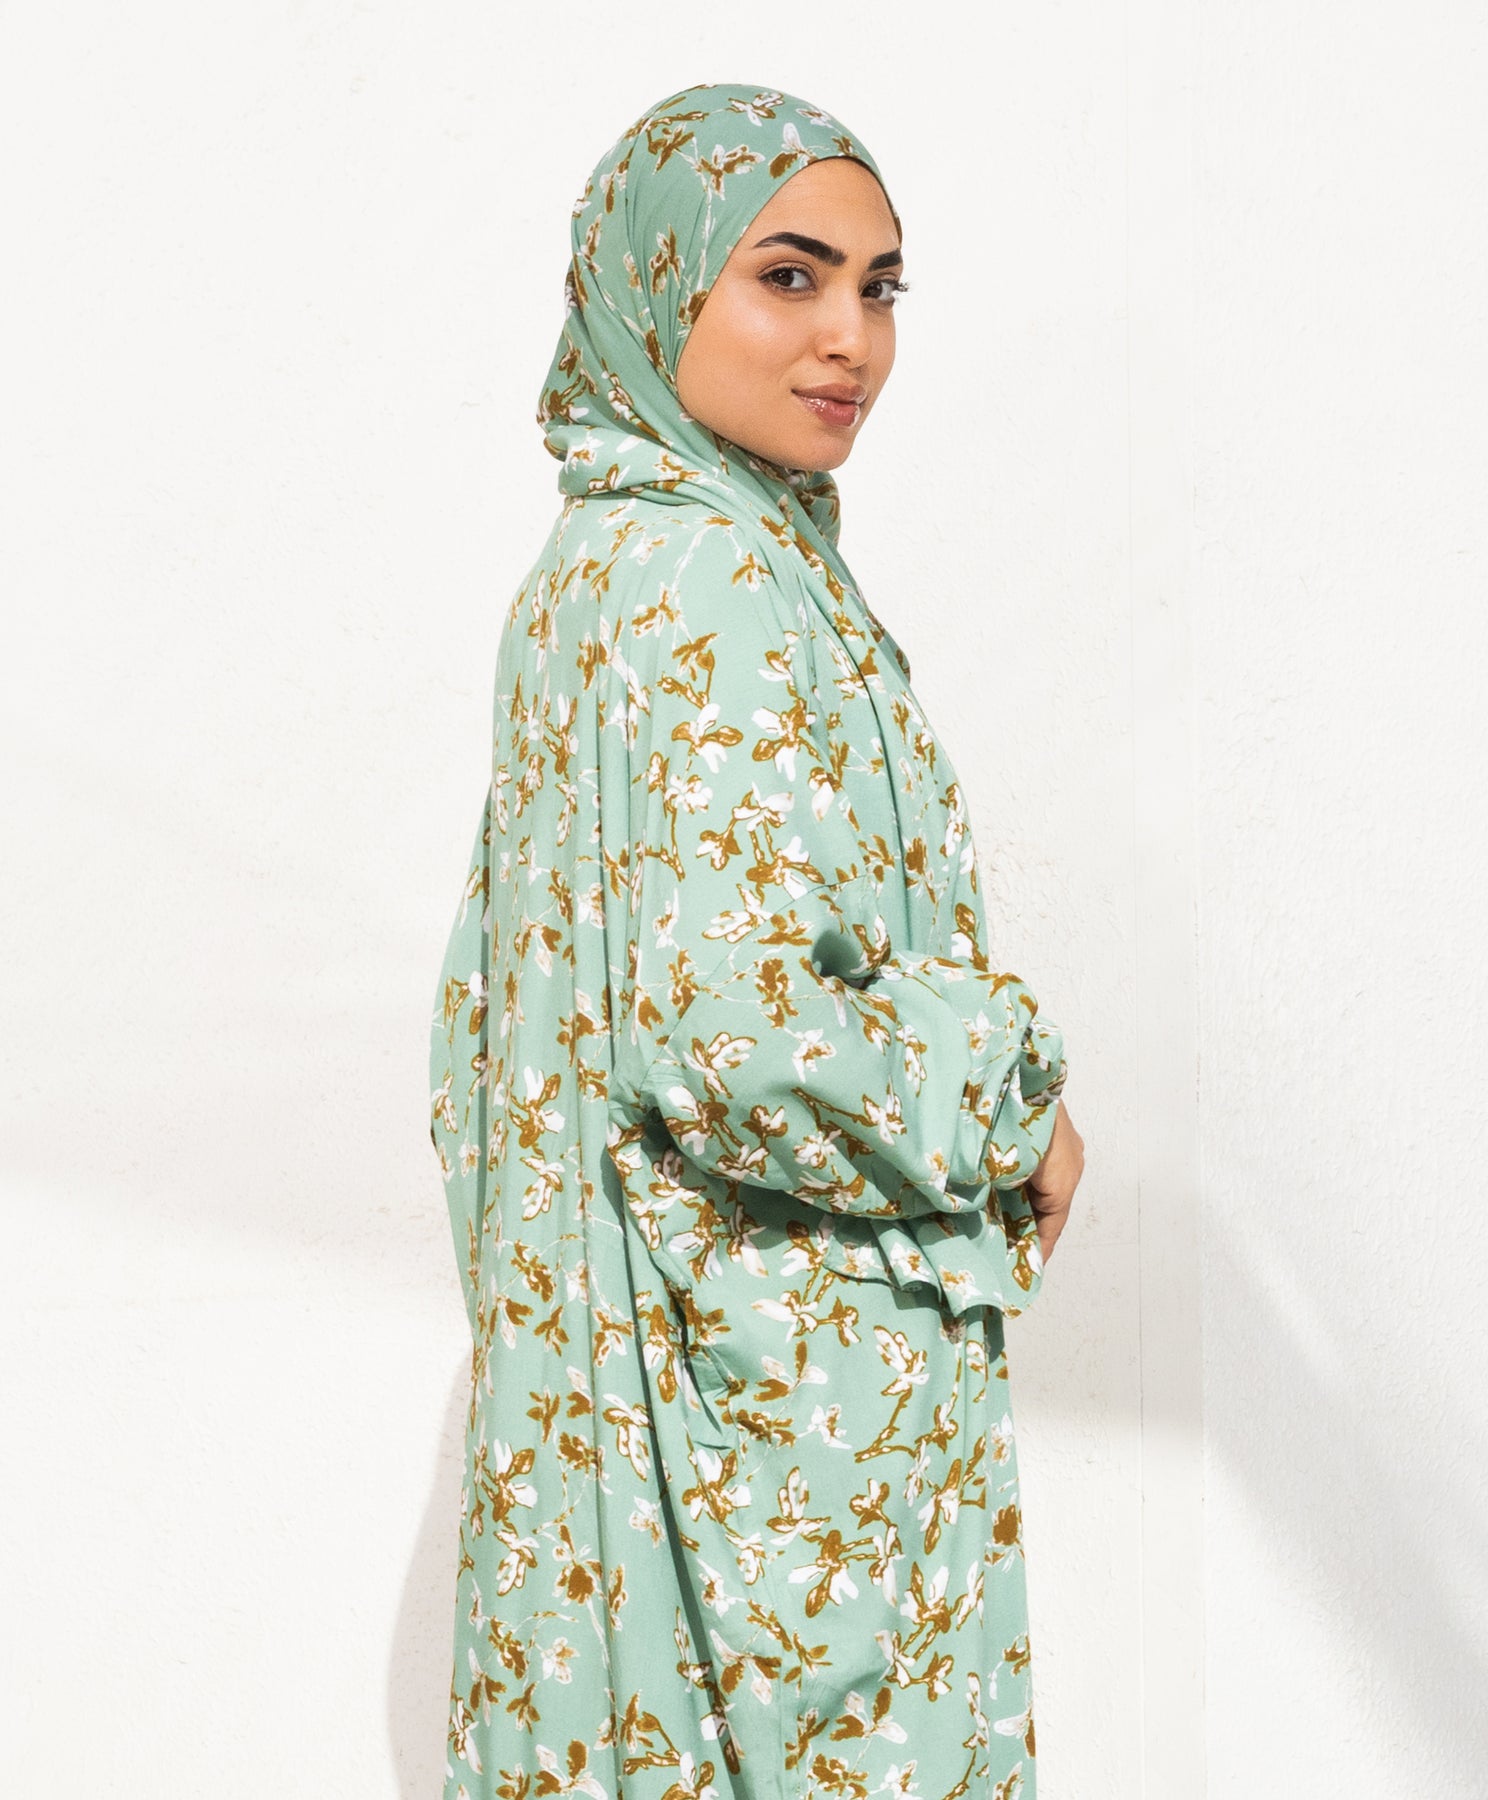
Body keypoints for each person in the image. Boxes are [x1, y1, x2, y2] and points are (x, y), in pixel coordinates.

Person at [429, 79, 1085, 1800]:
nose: (850, 337)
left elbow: (485, 1039)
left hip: (648, 1425)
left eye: (880, 287)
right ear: (657, 282)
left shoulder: (597, 570)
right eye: (787, 276)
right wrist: (1011, 1090)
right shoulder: (714, 584)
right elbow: (738, 1040)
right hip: (768, 1474)